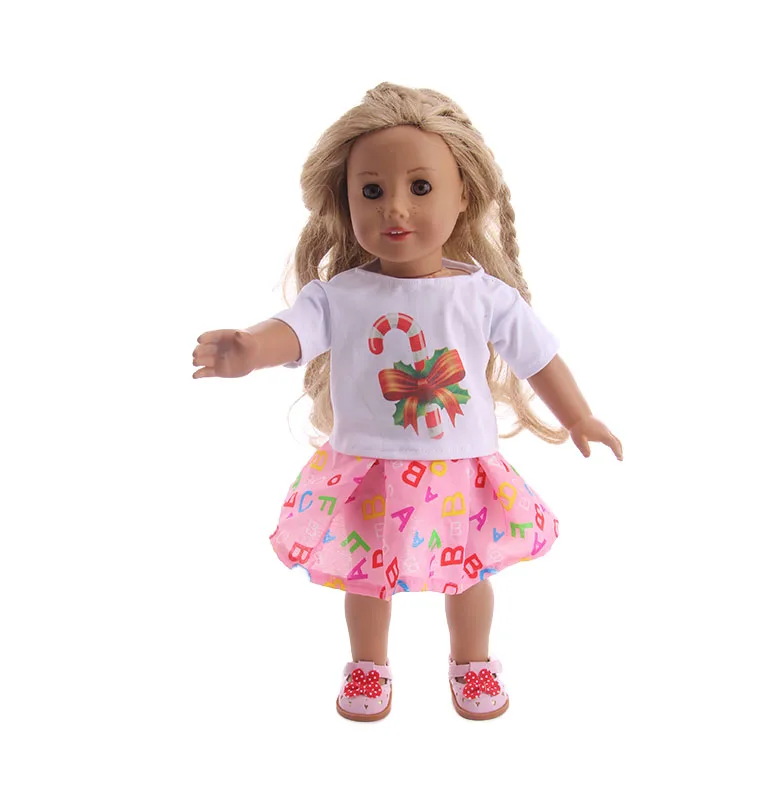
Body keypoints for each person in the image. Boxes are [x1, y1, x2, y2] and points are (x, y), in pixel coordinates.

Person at [192, 82, 623, 722]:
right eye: (371, 191)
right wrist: (251, 348)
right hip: (366, 464)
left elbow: (538, 358)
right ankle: (369, 663)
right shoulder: (340, 295)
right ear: (345, 199)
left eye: (420, 187)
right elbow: (294, 331)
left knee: (469, 573)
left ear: (463, 195)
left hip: (460, 464)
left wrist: (579, 416)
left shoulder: (483, 295)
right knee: (366, 576)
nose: (395, 207)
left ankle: (472, 660)